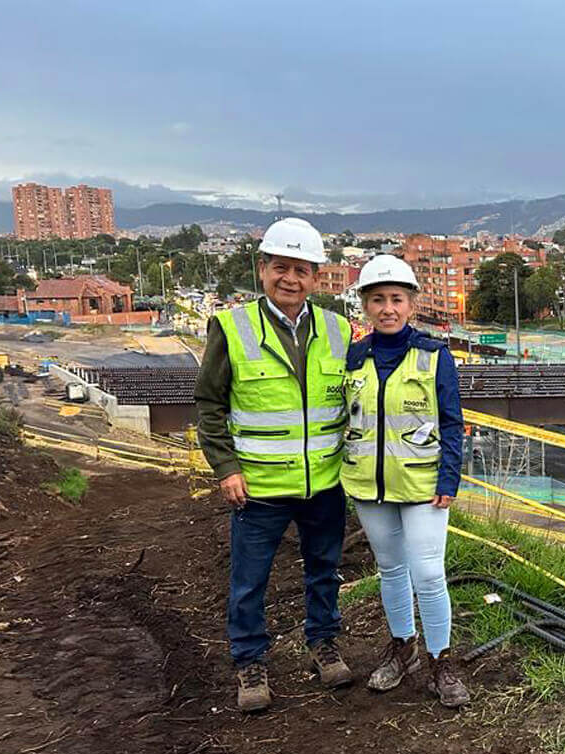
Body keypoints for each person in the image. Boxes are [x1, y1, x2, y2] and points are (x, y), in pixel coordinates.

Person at [194, 217, 354, 712]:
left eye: (301, 270)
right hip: (258, 486)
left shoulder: (338, 328)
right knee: (249, 580)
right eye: (280, 267)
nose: (291, 278)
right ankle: (249, 663)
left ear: (316, 276)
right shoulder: (232, 327)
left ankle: (323, 643)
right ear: (262, 270)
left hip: (324, 482)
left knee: (324, 570)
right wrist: (226, 468)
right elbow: (209, 405)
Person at [341, 255, 469, 708]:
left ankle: (441, 661)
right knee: (391, 569)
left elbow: (452, 423)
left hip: (422, 485)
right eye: (378, 300)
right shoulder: (354, 358)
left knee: (429, 573)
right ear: (365, 306)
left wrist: (449, 478)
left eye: (396, 299)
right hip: (369, 486)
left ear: (411, 304)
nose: (387, 308)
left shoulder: (434, 357)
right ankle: (403, 648)